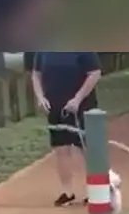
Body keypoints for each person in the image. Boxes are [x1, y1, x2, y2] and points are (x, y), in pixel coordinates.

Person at [29, 52, 103, 206]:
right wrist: (40, 97)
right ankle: (67, 192)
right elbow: (36, 74)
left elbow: (94, 73)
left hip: (81, 107)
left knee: (87, 148)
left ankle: (96, 191)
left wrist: (77, 99)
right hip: (55, 107)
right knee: (61, 148)